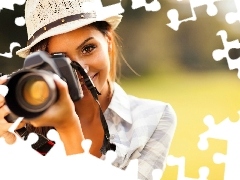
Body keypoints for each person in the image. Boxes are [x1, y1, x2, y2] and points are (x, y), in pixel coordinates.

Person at [0, 0, 177, 179]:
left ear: (108, 40)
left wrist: (68, 128)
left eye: (88, 48)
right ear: (42, 67)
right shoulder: (22, 121)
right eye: (61, 61)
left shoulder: (155, 118)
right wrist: (7, 142)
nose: (81, 70)